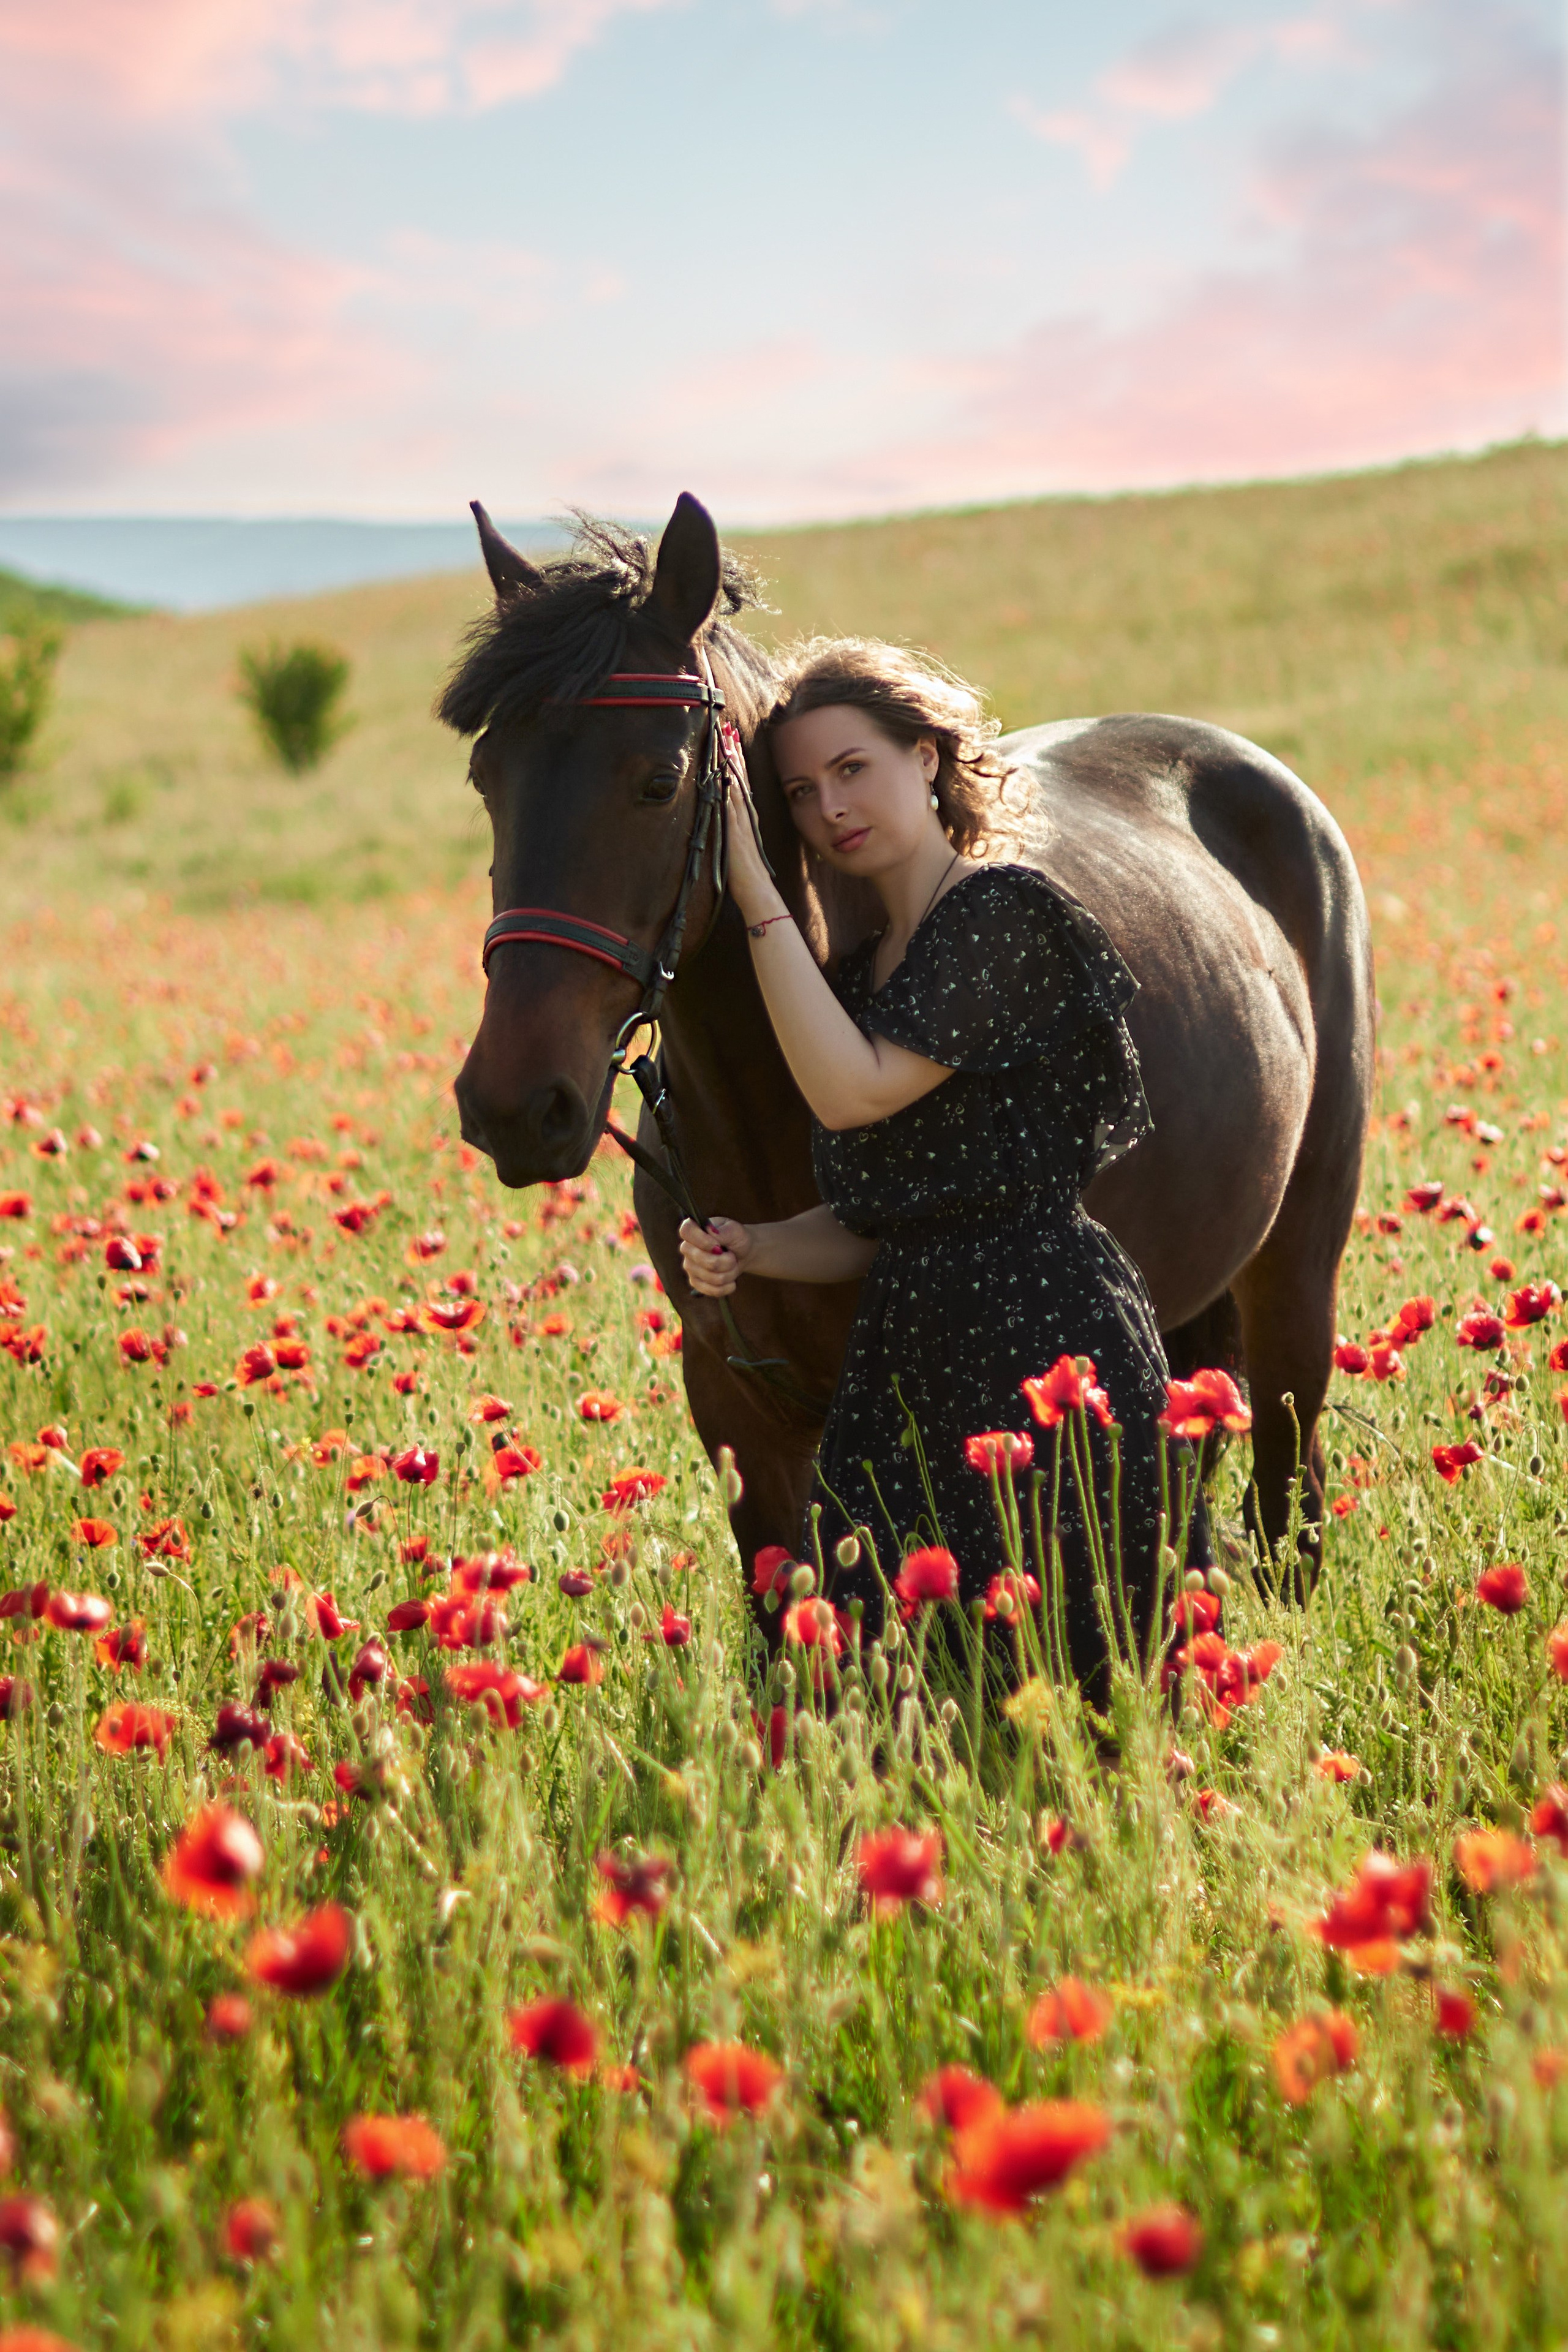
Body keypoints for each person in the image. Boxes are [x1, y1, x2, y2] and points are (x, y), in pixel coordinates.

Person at [678, 638, 1211, 1684]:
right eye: (800, 792)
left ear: (925, 758)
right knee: (910, 1696)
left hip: (1043, 1347)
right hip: (909, 1372)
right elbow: (889, 1222)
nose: (830, 807)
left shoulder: (1003, 914)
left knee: (1076, 1680)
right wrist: (756, 1248)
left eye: (852, 768)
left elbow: (852, 1092)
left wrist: (753, 889)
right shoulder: (864, 975)